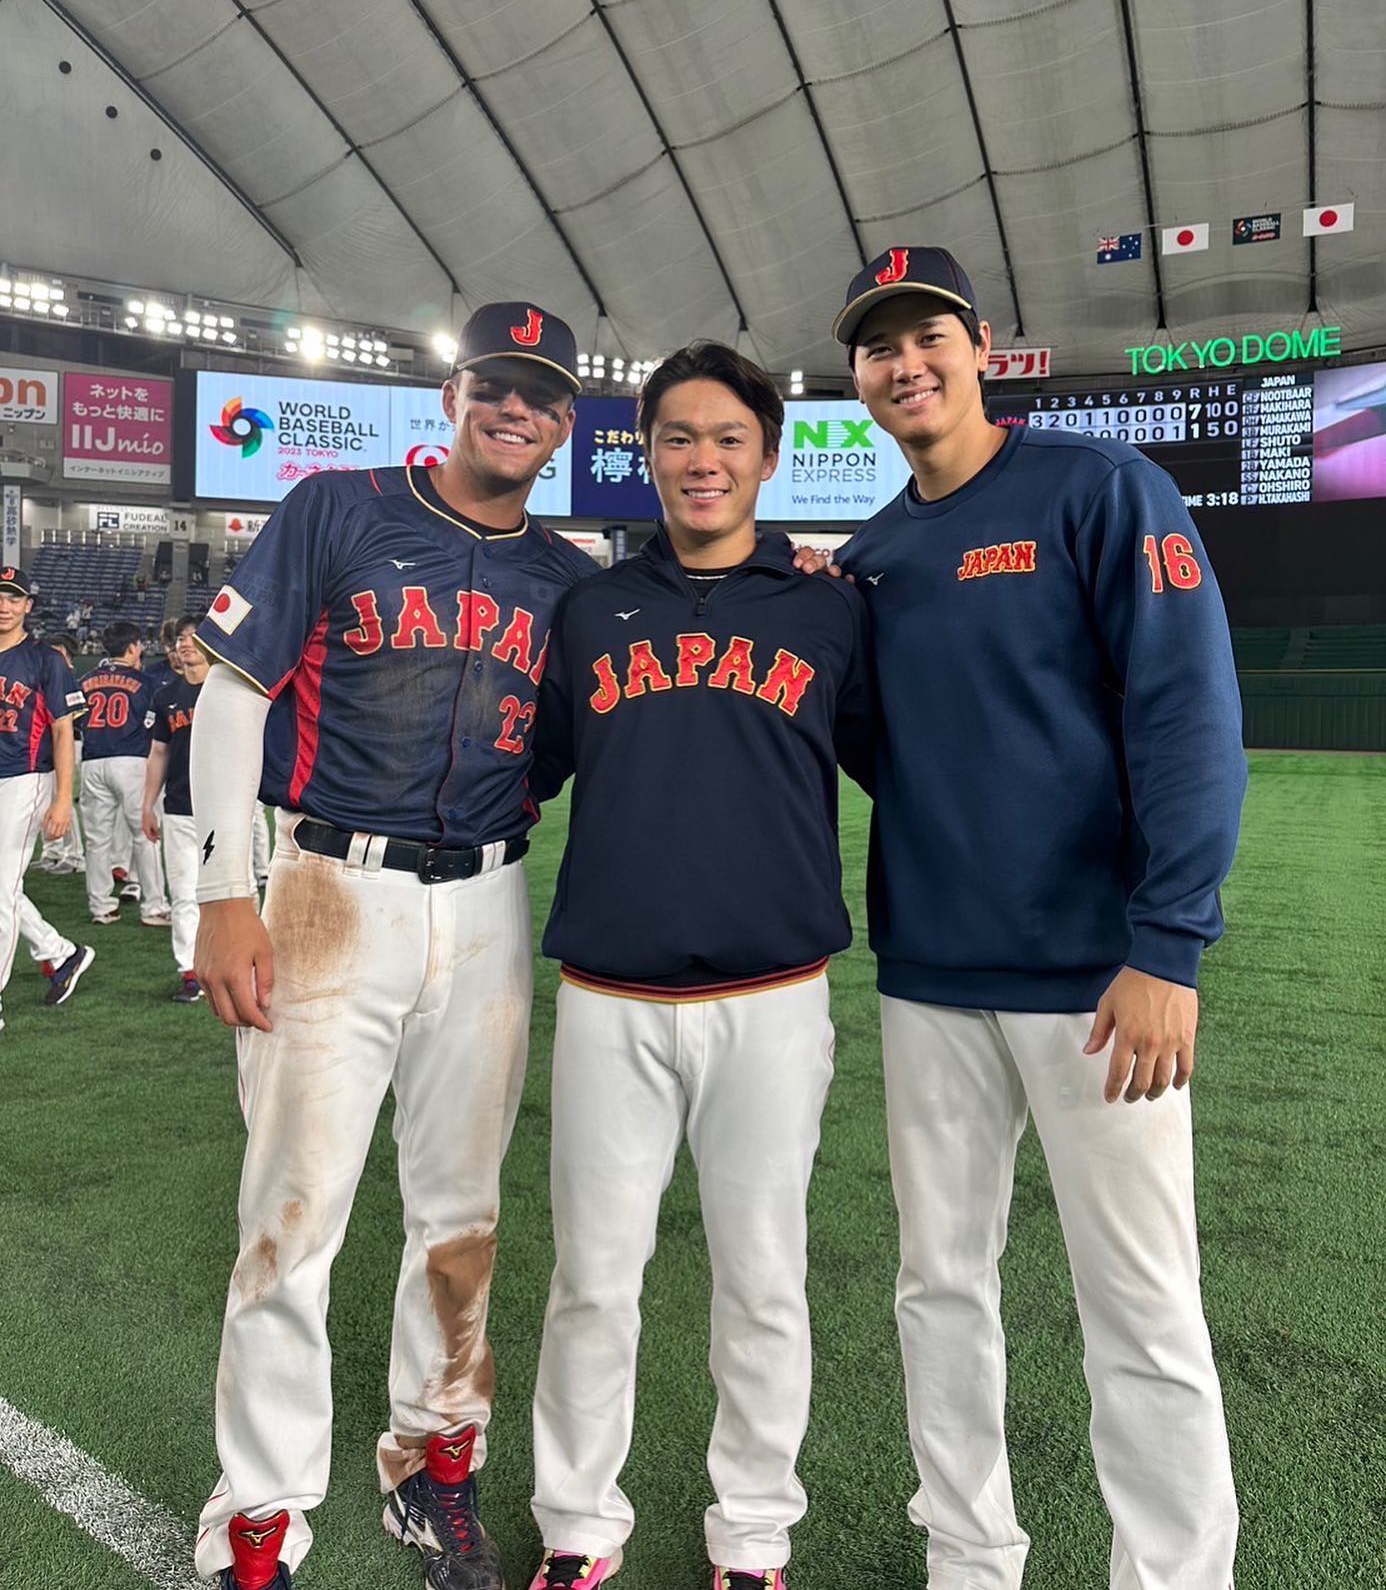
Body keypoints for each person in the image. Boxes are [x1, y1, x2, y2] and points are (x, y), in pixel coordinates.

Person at [827, 246, 1245, 1590]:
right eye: (879, 347)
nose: (906, 363)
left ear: (981, 346)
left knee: (1137, 1304)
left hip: (1095, 979)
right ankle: (967, 1556)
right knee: (936, 1286)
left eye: (926, 336)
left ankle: (1173, 1576)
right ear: (859, 377)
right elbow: (886, 750)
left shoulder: (1096, 485)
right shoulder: (880, 551)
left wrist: (1167, 942)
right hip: (928, 976)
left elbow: (1185, 714)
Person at [189, 303, 595, 1590]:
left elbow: (589, 741)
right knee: (289, 1216)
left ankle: (435, 1464)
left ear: (563, 422)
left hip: (486, 905)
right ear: (453, 394)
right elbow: (231, 687)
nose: (511, 409)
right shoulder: (337, 505)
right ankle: (257, 1510)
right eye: (493, 384)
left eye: (538, 393)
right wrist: (224, 889)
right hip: (326, 889)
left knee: (461, 1214)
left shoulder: (570, 579)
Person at [524, 343, 874, 1590]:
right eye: (678, 436)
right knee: (590, 1283)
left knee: (765, 1283)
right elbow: (531, 766)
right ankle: (576, 1525)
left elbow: (902, 758)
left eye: (727, 437)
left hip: (772, 1000)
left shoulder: (831, 604)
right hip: (610, 1000)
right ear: (648, 453)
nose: (703, 459)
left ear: (768, 456)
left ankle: (753, 1535)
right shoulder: (589, 607)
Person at [0, 568, 96, 1033]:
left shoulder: (44, 660)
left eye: (14, 598)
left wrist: (62, 799)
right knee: (4, 891)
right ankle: (61, 953)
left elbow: (63, 730)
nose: (5, 605)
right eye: (0, 597)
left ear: (27, 607)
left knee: (0, 889)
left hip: (24, 778)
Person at [78, 620, 170, 927]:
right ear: (133, 647)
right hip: (130, 761)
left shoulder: (86, 678)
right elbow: (154, 723)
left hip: (92, 762)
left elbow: (77, 721)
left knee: (97, 840)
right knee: (145, 834)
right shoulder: (144, 682)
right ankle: (154, 905)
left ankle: (101, 906)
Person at [142, 626, 213, 1003]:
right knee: (184, 893)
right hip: (180, 808)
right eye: (179, 640)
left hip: (223, 808)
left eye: (191, 638)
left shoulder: (228, 688)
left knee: (233, 889)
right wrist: (147, 804)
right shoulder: (167, 695)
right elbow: (158, 754)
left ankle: (239, 961)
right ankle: (190, 970)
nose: (183, 645)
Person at [38, 630, 86, 875]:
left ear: (68, 657)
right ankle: (53, 850)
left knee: (62, 800)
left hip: (69, 745)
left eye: (59, 652)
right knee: (45, 801)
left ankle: (75, 855)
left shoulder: (67, 677)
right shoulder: (44, 675)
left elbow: (72, 723)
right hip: (45, 746)